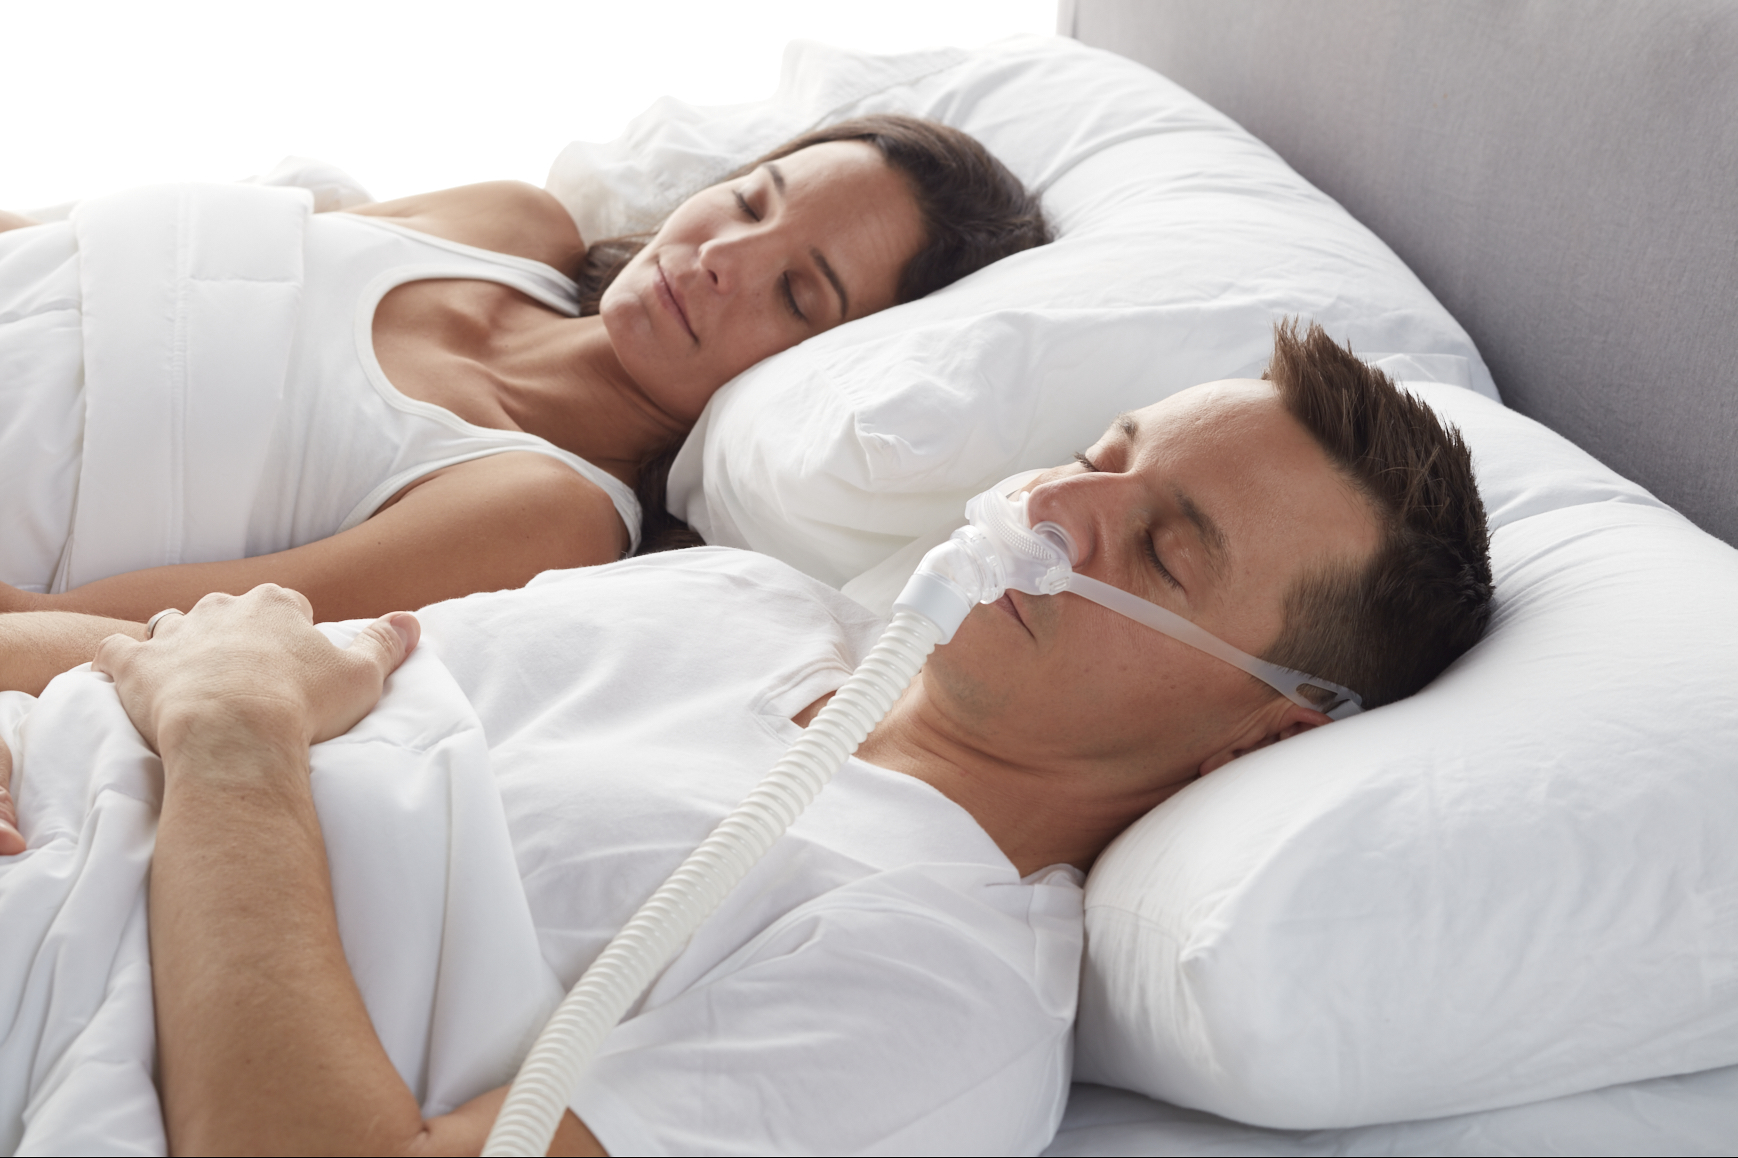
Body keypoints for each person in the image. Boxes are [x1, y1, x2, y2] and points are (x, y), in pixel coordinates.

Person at [0, 322, 1494, 1153]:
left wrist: (235, 749)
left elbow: (235, 705)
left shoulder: (938, 996)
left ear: (1257, 732)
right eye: (1100, 457)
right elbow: (218, 660)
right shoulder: (732, 598)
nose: (1055, 510)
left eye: (1163, 550)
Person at [0, 116, 1049, 626]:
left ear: (824, 363)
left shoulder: (548, 508)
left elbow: (139, 628)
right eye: (750, 201)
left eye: (797, 293)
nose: (723, 257)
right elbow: (77, 261)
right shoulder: (511, 223)